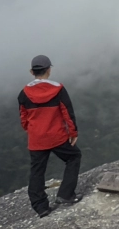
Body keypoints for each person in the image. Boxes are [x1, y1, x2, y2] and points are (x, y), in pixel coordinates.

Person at [19, 55, 80, 216]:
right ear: (49, 70)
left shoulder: (24, 93)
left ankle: (41, 207)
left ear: (32, 72)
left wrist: (32, 130)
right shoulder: (58, 89)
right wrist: (73, 133)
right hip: (57, 136)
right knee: (73, 157)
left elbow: (23, 118)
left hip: (36, 138)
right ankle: (65, 194)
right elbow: (67, 112)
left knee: (37, 171)